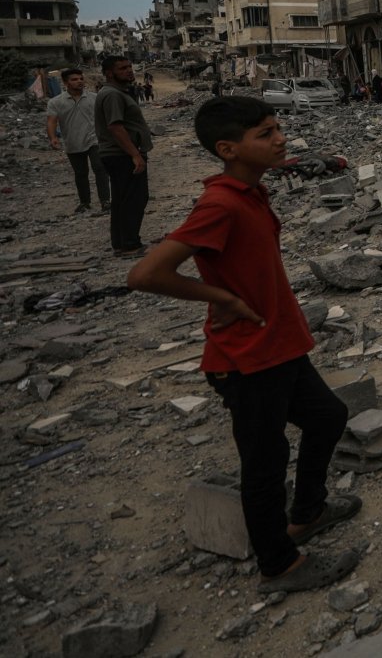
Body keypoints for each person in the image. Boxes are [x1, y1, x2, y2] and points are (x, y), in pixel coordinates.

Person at [128, 96, 361, 592]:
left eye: (278, 128)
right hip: (246, 358)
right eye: (265, 133)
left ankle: (308, 512)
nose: (280, 139)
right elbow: (147, 273)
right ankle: (280, 565)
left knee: (327, 417)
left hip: (278, 343)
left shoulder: (252, 192)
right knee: (265, 463)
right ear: (227, 148)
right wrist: (221, 299)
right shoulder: (220, 204)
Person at [94, 55, 153, 257]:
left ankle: (121, 243)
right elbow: (115, 127)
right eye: (122, 68)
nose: (129, 70)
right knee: (134, 198)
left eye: (129, 66)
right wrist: (135, 154)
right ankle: (129, 244)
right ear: (109, 73)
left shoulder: (117, 92)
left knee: (121, 198)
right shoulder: (112, 95)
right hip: (121, 154)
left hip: (118, 154)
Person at [46, 68, 110, 214]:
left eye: (80, 78)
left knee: (100, 169)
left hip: (94, 140)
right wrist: (53, 138)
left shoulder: (94, 98)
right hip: (73, 142)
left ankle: (106, 201)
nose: (79, 81)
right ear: (65, 82)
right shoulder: (56, 102)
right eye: (74, 79)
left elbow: (105, 117)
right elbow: (51, 121)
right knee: (81, 173)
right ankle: (85, 202)